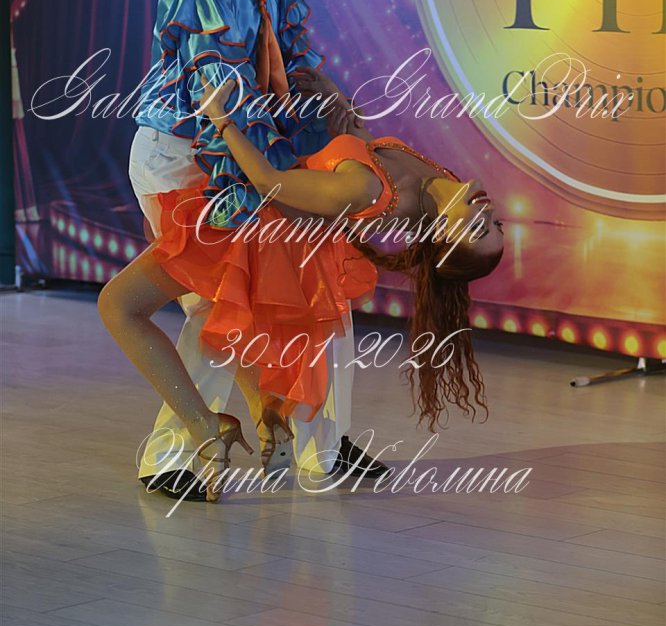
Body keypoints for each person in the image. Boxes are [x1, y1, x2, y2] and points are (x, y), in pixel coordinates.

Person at [99, 70, 504, 502]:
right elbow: (360, 148)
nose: (487, 214)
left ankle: (203, 440)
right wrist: (340, 106)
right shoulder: (436, 181)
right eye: (496, 224)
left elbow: (271, 182)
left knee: (210, 321)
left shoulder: (373, 192)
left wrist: (221, 119)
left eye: (478, 230)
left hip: (257, 227)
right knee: (244, 325)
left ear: (439, 235)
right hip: (278, 220)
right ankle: (274, 426)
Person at [128, 0, 387, 502]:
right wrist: (268, 192)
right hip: (188, 157)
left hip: (250, 149)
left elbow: (287, 65)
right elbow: (219, 111)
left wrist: (324, 100)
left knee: (317, 286)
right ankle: (172, 455)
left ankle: (320, 442)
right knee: (218, 305)